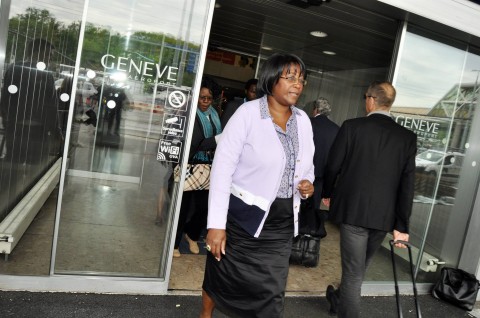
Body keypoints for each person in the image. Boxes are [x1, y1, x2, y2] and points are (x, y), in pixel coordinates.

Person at [200, 53, 315, 318]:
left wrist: (307, 183)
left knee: (272, 291)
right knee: (221, 274)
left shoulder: (303, 121)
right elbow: (222, 169)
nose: (297, 84)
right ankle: (205, 315)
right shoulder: (248, 114)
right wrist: (216, 225)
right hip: (242, 218)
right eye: (290, 77)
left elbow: (307, 165)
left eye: (301, 79)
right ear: (271, 79)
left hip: (282, 223)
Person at [322, 81, 417, 318]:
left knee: (354, 272)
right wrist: (401, 225)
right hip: (383, 218)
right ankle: (338, 298)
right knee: (359, 266)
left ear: (372, 100)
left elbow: (333, 165)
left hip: (353, 211)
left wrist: (327, 194)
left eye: (366, 96)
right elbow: (408, 184)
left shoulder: (352, 127)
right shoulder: (406, 137)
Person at [173, 77, 222, 258]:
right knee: (182, 208)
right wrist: (218, 140)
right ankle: (174, 244)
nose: (205, 102)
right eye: (202, 98)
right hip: (190, 164)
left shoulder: (214, 114)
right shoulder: (189, 113)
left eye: (209, 98)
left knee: (205, 208)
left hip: (208, 167)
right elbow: (195, 143)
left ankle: (192, 234)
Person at [310, 97, 339, 211]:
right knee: (315, 203)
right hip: (322, 173)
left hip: (304, 171)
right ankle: (312, 226)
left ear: (316, 109)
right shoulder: (336, 129)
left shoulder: (308, 122)